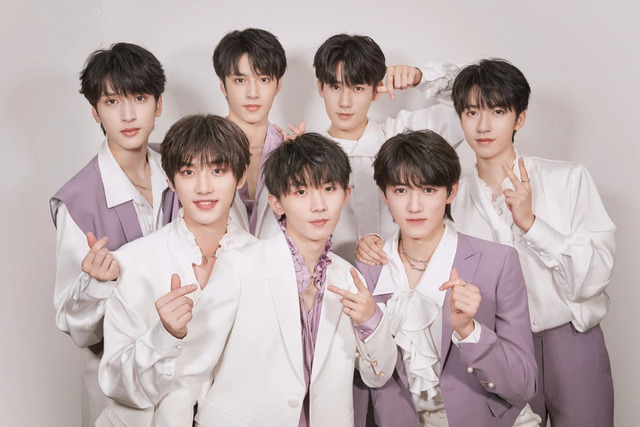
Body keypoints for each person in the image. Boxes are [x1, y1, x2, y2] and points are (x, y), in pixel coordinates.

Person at [450, 59, 615, 426]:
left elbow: (594, 277)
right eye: (472, 112)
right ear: (460, 119)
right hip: (500, 351)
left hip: (572, 341)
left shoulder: (567, 179)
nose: (483, 125)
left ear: (519, 119)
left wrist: (530, 224)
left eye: (497, 111)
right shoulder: (453, 199)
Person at [193, 133, 397, 426]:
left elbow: (377, 376)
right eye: (301, 192)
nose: (318, 205)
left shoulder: (350, 279)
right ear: (277, 203)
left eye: (329, 188)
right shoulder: (241, 265)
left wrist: (370, 318)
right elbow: (195, 366)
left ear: (346, 195)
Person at [353, 130, 539, 426]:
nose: (414, 206)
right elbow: (364, 379)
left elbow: (524, 385)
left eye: (428, 190)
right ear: (384, 194)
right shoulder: (367, 269)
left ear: (451, 192)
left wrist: (469, 331)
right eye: (401, 190)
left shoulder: (498, 262)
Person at [49, 42, 178, 427]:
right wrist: (96, 285)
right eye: (111, 101)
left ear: (158, 104)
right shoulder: (78, 201)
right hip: (115, 386)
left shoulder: (183, 169)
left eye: (139, 98)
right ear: (95, 112)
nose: (127, 115)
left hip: (183, 376)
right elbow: (74, 326)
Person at [96, 114, 255, 426]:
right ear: (170, 179)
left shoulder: (261, 262)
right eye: (188, 172)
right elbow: (115, 385)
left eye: (218, 170)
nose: (204, 187)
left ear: (240, 177)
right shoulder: (133, 262)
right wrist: (164, 335)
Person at [312, 33, 464, 262]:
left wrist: (421, 77)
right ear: (320, 87)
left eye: (357, 88)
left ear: (376, 90)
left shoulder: (405, 137)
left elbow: (478, 99)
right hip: (331, 281)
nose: (345, 102)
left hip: (412, 277)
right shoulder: (306, 157)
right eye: (335, 87)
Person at [213, 28, 293, 238]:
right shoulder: (199, 149)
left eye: (263, 79)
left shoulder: (291, 151)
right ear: (223, 86)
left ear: (278, 85)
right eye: (240, 80)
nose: (252, 93)